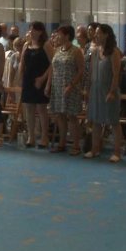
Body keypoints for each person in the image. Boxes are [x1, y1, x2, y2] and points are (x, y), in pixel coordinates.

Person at [46, 25, 84, 154]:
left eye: (59, 34)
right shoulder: (57, 50)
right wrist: (48, 85)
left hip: (71, 88)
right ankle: (62, 143)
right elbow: (52, 68)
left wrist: (71, 85)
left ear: (67, 36)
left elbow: (81, 70)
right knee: (60, 116)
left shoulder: (76, 51)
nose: (57, 36)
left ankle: (76, 145)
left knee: (72, 117)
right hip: (57, 87)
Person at [86, 24, 122, 161]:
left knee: (113, 122)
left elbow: (116, 74)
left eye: (98, 33)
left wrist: (112, 91)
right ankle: (95, 149)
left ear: (106, 34)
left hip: (108, 90)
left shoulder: (114, 52)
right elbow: (91, 73)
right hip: (95, 90)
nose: (96, 35)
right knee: (95, 121)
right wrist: (89, 89)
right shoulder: (95, 52)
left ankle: (117, 152)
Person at [18, 21, 53, 148]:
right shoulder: (26, 45)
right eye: (30, 29)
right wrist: (20, 78)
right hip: (28, 79)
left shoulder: (46, 45)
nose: (31, 32)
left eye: (34, 30)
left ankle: (44, 137)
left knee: (41, 109)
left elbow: (52, 64)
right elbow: (22, 63)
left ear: (40, 31)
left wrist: (43, 79)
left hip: (40, 79)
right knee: (29, 108)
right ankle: (31, 136)